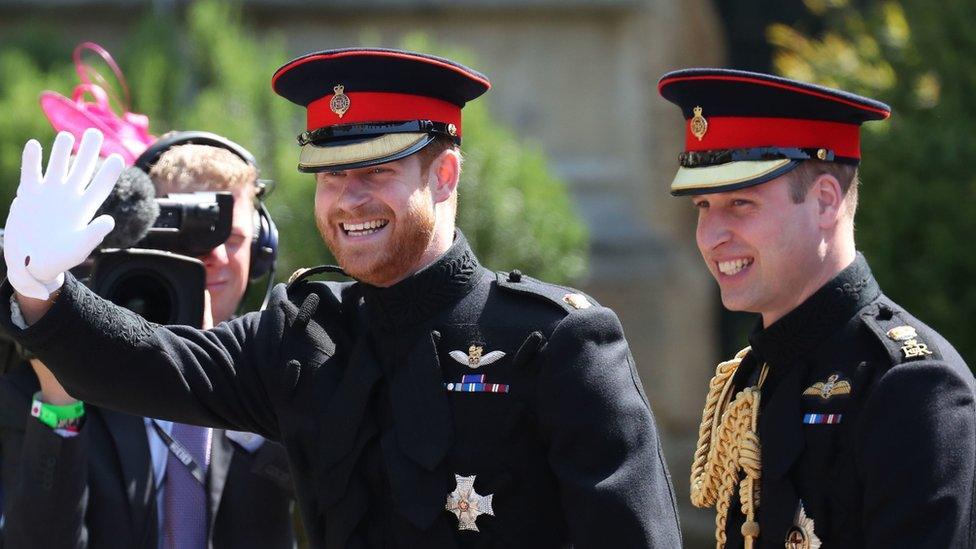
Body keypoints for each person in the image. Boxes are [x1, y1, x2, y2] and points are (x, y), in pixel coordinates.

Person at [0, 49, 681, 547]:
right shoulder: (302, 339)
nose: (348, 198)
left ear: (444, 174)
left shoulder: (556, 343)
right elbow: (152, 362)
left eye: (377, 171)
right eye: (330, 175)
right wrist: (43, 291)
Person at [658, 68, 976, 548]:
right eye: (703, 205)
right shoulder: (754, 374)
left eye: (740, 203)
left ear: (825, 201)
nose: (711, 236)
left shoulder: (910, 384)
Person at [0, 133, 296, 548]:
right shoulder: (36, 391)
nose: (212, 257)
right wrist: (59, 402)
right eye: (183, 238)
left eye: (230, 239)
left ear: (261, 251)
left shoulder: (283, 372)